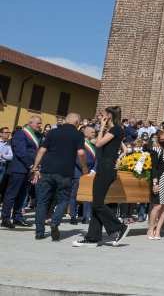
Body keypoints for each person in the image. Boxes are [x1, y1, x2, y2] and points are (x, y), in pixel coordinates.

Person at [74, 106, 130, 247]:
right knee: (96, 204)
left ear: (109, 116)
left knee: (98, 203)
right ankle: (93, 237)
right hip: (103, 168)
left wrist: (103, 126)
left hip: (106, 169)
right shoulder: (110, 131)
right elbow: (122, 148)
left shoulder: (116, 129)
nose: (99, 116)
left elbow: (98, 144)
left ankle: (119, 227)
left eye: (102, 114)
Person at [30, 113, 87, 241]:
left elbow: (42, 150)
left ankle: (39, 232)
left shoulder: (53, 132)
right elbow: (81, 153)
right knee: (63, 200)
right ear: (77, 122)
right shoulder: (78, 134)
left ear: (66, 120)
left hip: (47, 170)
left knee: (42, 201)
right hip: (65, 172)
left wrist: (35, 167)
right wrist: (84, 168)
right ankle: (55, 223)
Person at [2, 115, 42, 229]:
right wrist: (31, 165)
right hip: (19, 169)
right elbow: (20, 152)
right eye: (38, 123)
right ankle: (5, 218)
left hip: (28, 170)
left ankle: (17, 217)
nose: (40, 125)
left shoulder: (37, 135)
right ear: (30, 123)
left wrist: (36, 166)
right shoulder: (20, 133)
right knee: (11, 194)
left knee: (22, 195)